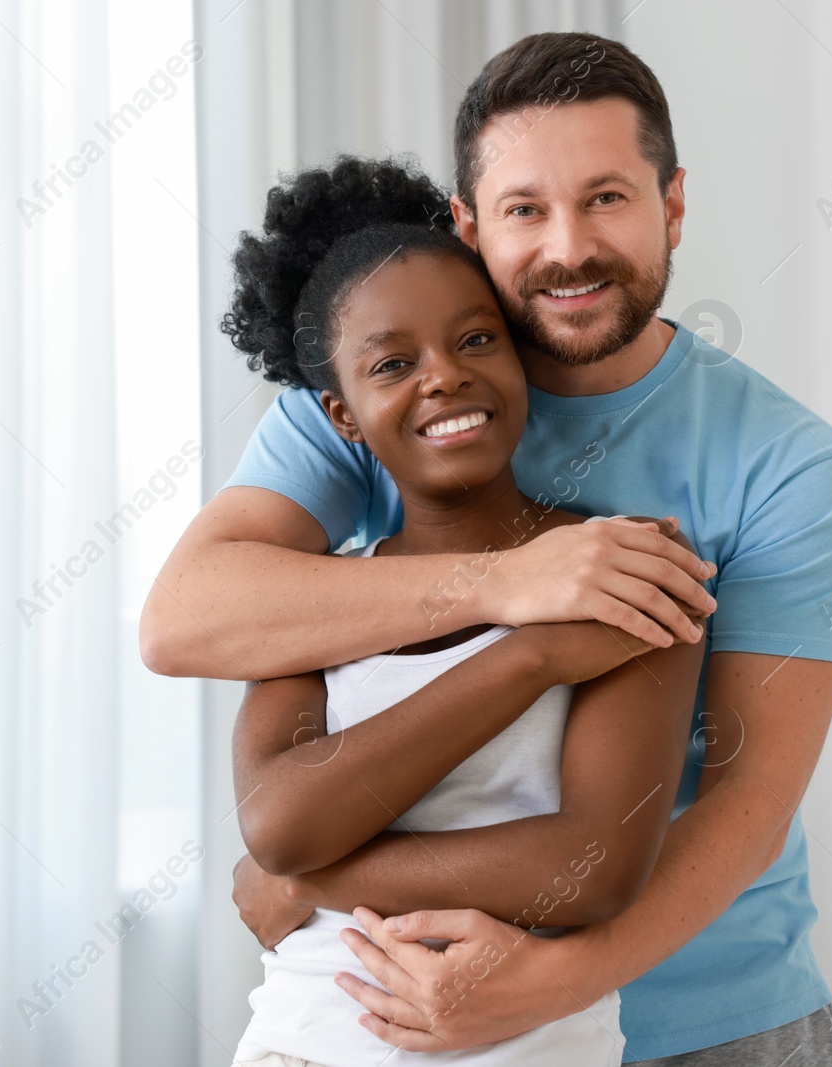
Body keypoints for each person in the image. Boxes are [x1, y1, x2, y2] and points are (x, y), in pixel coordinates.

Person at [142, 30, 832, 1067]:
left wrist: (539, 974)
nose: (567, 246)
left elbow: (748, 803)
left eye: (607, 197)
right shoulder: (384, 394)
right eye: (526, 208)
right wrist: (514, 588)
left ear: (670, 204)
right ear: (469, 223)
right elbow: (183, 618)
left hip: (714, 1020)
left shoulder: (784, 463)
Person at [222, 156, 706, 1067]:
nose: (441, 377)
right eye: (393, 363)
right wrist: (526, 661)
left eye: (475, 340)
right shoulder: (314, 599)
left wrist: (315, 873)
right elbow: (279, 822)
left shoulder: (630, 564)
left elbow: (593, 868)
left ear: (519, 352)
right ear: (343, 416)